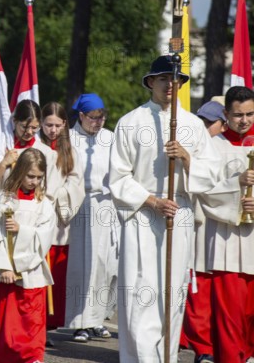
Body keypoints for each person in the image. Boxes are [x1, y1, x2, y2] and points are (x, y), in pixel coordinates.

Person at [109, 55, 219, 362]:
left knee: (172, 294)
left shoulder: (193, 126)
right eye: (162, 79)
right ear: (150, 82)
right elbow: (117, 177)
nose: (169, 86)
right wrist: (152, 201)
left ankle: (166, 357)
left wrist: (186, 158)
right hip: (142, 214)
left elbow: (211, 174)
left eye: (175, 80)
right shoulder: (130, 122)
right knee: (140, 293)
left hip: (179, 213)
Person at [0, 148, 56, 363]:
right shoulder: (3, 201)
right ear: (20, 171)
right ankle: (1, 354)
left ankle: (32, 356)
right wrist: (4, 266)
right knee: (4, 318)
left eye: (39, 177)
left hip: (31, 269)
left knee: (31, 317)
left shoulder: (44, 204)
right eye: (30, 176)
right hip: (6, 270)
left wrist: (21, 230)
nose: (34, 181)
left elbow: (46, 235)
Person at [197, 86, 254, 363]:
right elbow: (205, 190)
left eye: (250, 114)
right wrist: (236, 185)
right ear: (225, 114)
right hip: (226, 240)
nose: (244, 120)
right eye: (238, 115)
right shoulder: (212, 146)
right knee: (229, 315)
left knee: (251, 315)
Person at [65, 93, 119, 342]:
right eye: (94, 118)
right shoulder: (70, 139)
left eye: (102, 117)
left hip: (107, 205)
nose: (99, 122)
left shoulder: (110, 138)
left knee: (107, 266)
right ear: (81, 116)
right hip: (82, 205)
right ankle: (80, 322)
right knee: (84, 266)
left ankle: (98, 318)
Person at [179, 100, 226, 362]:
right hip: (197, 223)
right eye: (203, 121)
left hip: (223, 224)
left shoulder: (225, 147)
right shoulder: (195, 143)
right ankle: (200, 345)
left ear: (224, 122)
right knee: (194, 283)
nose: (205, 126)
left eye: (211, 123)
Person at [39, 101, 86, 332]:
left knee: (54, 278)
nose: (53, 130)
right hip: (35, 219)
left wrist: (54, 196)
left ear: (65, 124)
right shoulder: (35, 147)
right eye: (48, 124)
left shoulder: (70, 152)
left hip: (58, 223)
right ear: (41, 123)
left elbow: (76, 185)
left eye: (57, 125)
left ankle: (47, 326)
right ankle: (34, 323)